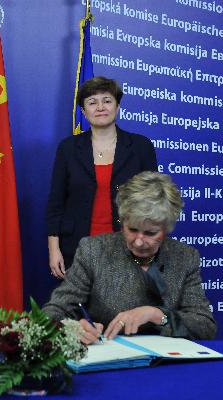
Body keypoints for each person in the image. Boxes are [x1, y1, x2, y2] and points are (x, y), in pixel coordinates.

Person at [43, 171, 216, 343]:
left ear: (167, 229)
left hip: (168, 365)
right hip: (108, 359)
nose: (139, 242)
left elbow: (205, 326)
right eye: (132, 230)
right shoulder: (93, 250)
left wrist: (158, 315)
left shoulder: (184, 257)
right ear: (122, 221)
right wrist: (73, 328)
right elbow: (53, 311)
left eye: (150, 233)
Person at [46, 76, 157, 279]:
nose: (100, 107)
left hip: (129, 248)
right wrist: (54, 250)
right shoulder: (68, 149)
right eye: (92, 102)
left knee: (126, 309)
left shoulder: (141, 147)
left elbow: (153, 204)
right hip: (77, 250)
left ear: (117, 106)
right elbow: (56, 203)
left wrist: (148, 251)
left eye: (107, 100)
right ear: (83, 111)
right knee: (81, 310)